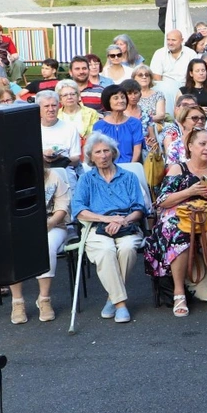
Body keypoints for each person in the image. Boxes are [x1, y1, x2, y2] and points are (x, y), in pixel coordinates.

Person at [148, 128, 207, 316]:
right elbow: (162, 201)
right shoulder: (178, 168)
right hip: (180, 218)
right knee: (177, 235)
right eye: (202, 144)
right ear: (190, 147)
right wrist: (189, 192)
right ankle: (179, 292)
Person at [72, 133, 147, 324]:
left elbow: (139, 208)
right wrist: (106, 219)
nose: (103, 155)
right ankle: (120, 304)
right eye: (98, 152)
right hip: (96, 226)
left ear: (113, 153)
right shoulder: (86, 180)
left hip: (126, 225)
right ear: (91, 156)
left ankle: (111, 299)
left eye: (106, 151)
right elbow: (79, 210)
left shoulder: (128, 177)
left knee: (128, 247)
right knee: (106, 250)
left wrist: (122, 220)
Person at [9, 159, 73, 325]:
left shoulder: (53, 176)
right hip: (19, 227)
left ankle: (44, 299)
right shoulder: (9, 178)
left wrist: (49, 224)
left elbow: (62, 207)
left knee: (46, 246)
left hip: (52, 225)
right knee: (11, 248)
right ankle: (17, 302)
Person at [93, 84, 144, 163]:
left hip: (131, 167)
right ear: (108, 101)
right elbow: (98, 152)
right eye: (116, 98)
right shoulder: (99, 126)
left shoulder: (135, 123)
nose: (121, 101)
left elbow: (137, 150)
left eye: (123, 97)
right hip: (107, 167)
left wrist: (131, 168)